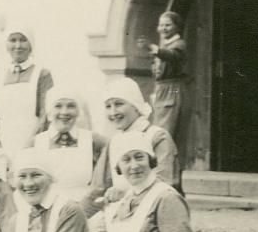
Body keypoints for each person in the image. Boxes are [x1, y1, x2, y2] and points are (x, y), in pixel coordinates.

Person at [86, 77, 180, 216]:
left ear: (136, 106)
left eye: (119, 104)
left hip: (154, 213)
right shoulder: (114, 141)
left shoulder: (157, 136)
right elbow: (98, 189)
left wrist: (127, 193)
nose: (113, 112)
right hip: (120, 214)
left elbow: (165, 184)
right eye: (108, 106)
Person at [0, 22, 55, 179]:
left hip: (33, 151)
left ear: (31, 44)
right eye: (13, 40)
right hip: (1, 154)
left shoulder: (42, 75)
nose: (18, 46)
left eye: (23, 40)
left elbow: (46, 117)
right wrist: (0, 152)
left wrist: (27, 150)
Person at [32, 88, 108, 202]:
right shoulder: (35, 143)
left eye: (71, 106)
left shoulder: (94, 140)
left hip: (85, 206)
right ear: (49, 113)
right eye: (58, 106)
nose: (64, 112)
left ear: (78, 112)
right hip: (48, 207)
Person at [146, 11, 188, 148]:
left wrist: (157, 51)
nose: (163, 28)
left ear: (177, 27)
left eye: (168, 25)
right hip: (162, 89)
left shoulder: (179, 44)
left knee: (165, 131)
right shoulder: (165, 45)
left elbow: (172, 56)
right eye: (161, 25)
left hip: (171, 90)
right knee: (158, 130)